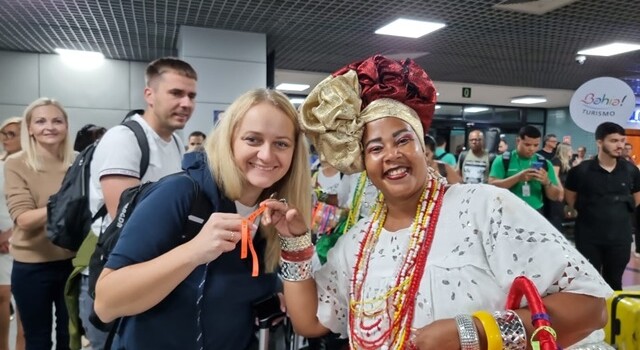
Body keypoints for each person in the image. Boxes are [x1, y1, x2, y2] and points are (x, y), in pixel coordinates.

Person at [273, 55, 610, 350]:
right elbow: (311, 322)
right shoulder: (358, 242)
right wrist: (295, 242)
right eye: (375, 148)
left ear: (425, 149)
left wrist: (475, 332)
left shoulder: (484, 207)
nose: (391, 155)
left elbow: (592, 308)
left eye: (403, 139)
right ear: (363, 162)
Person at [93, 89, 311, 349]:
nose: (266, 155)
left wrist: (289, 256)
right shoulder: (180, 194)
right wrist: (194, 251)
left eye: (281, 144)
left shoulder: (276, 215)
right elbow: (106, 304)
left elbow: (304, 320)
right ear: (229, 141)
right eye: (253, 140)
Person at [65, 57, 196, 350]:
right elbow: (127, 222)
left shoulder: (174, 142)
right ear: (149, 94)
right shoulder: (124, 139)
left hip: (151, 273)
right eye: (176, 93)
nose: (186, 103)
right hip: (115, 274)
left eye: (191, 95)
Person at [4, 98, 75, 350]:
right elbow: (23, 218)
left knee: (71, 337)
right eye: (41, 121)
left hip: (72, 264)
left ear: (66, 126)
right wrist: (68, 201)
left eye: (57, 121)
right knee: (37, 339)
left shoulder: (77, 162)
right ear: (30, 128)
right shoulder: (16, 163)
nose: (50, 127)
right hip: (32, 266)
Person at [565, 122, 640, 291]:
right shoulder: (580, 171)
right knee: (589, 282)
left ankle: (613, 316)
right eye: (614, 140)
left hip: (620, 238)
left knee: (614, 281)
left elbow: (637, 198)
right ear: (599, 142)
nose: (620, 145)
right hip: (589, 238)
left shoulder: (631, 171)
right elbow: (570, 198)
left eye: (622, 140)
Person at [489, 125, 563, 213]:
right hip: (508, 211)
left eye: (536, 145)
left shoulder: (544, 163)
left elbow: (555, 196)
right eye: (527, 144)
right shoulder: (503, 160)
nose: (532, 149)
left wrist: (547, 182)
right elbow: (492, 186)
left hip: (535, 212)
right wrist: (518, 178)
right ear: (518, 141)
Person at [0, 117, 25, 350]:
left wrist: (10, 234)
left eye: (12, 134)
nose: (6, 139)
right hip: (1, 244)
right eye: (4, 134)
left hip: (22, 238)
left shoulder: (30, 166)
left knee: (24, 310)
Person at [548, 142, 573, 231]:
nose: (572, 152)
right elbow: (555, 176)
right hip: (559, 189)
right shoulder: (556, 160)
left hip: (566, 189)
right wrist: (560, 189)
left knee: (562, 212)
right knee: (557, 213)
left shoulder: (568, 162)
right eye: (570, 150)